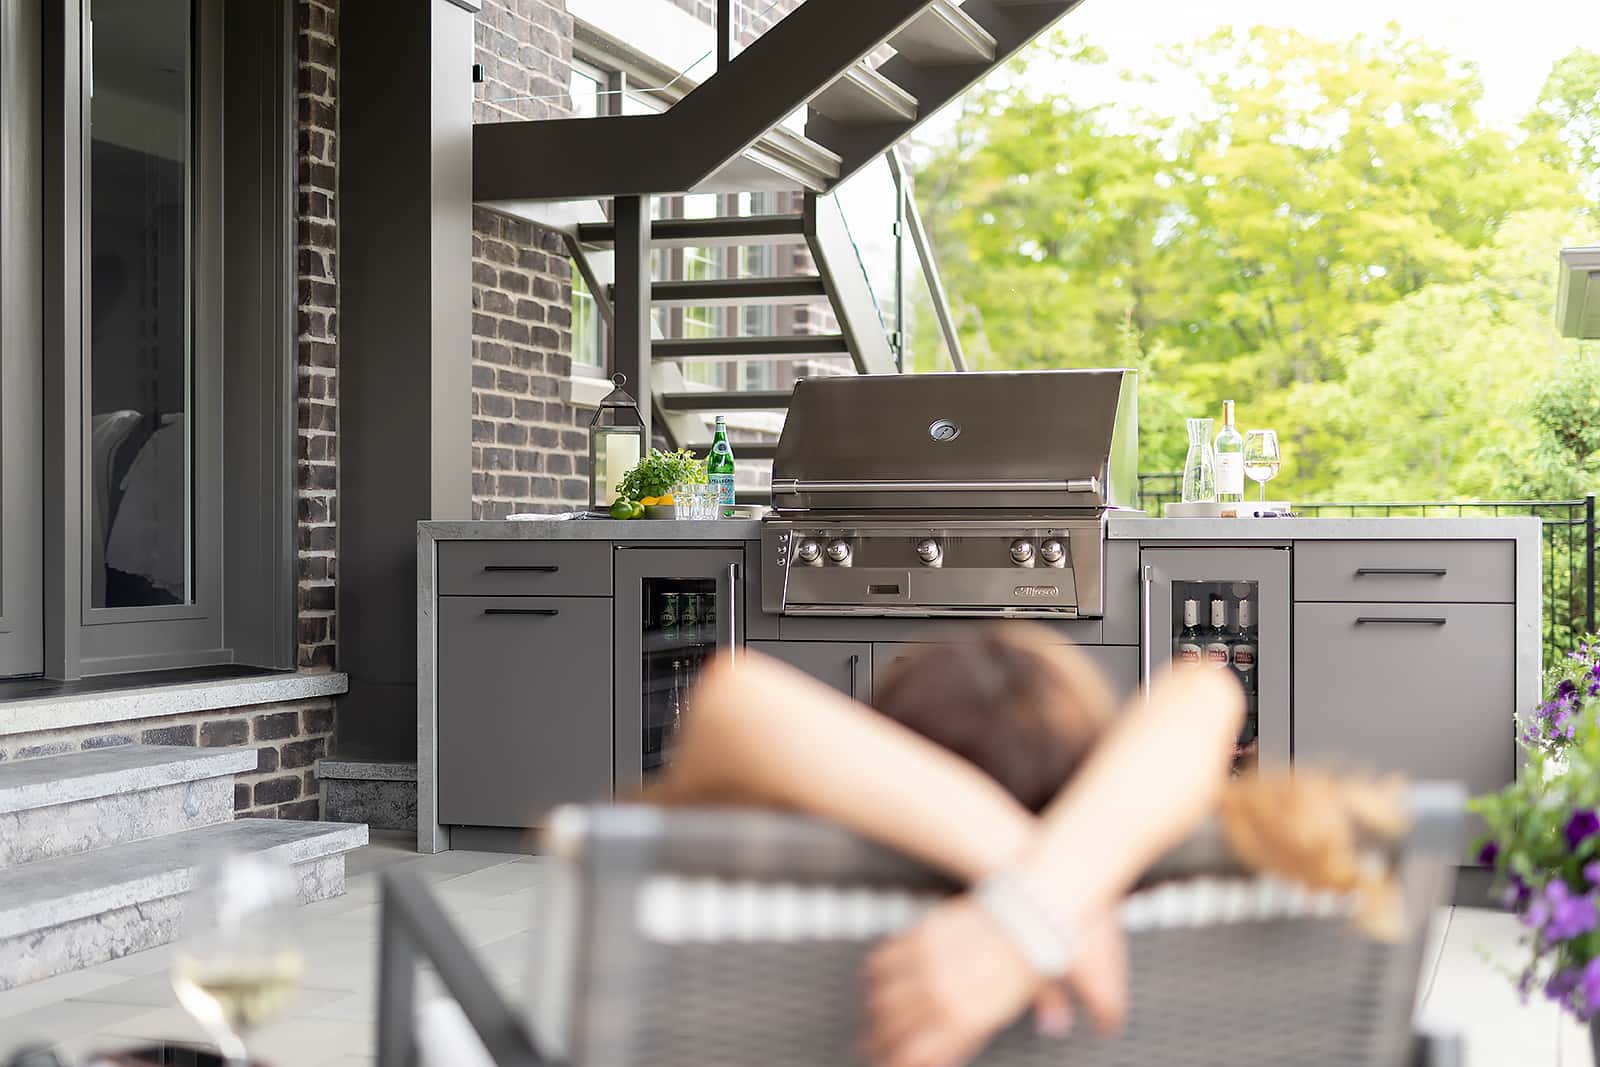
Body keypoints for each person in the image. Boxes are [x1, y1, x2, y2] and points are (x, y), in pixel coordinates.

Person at [650, 626, 1404, 1067]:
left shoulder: (740, 938)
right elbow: (1204, 691)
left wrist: (1021, 891)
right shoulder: (1220, 926)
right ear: (1097, 761)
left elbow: (732, 699)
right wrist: (1037, 896)